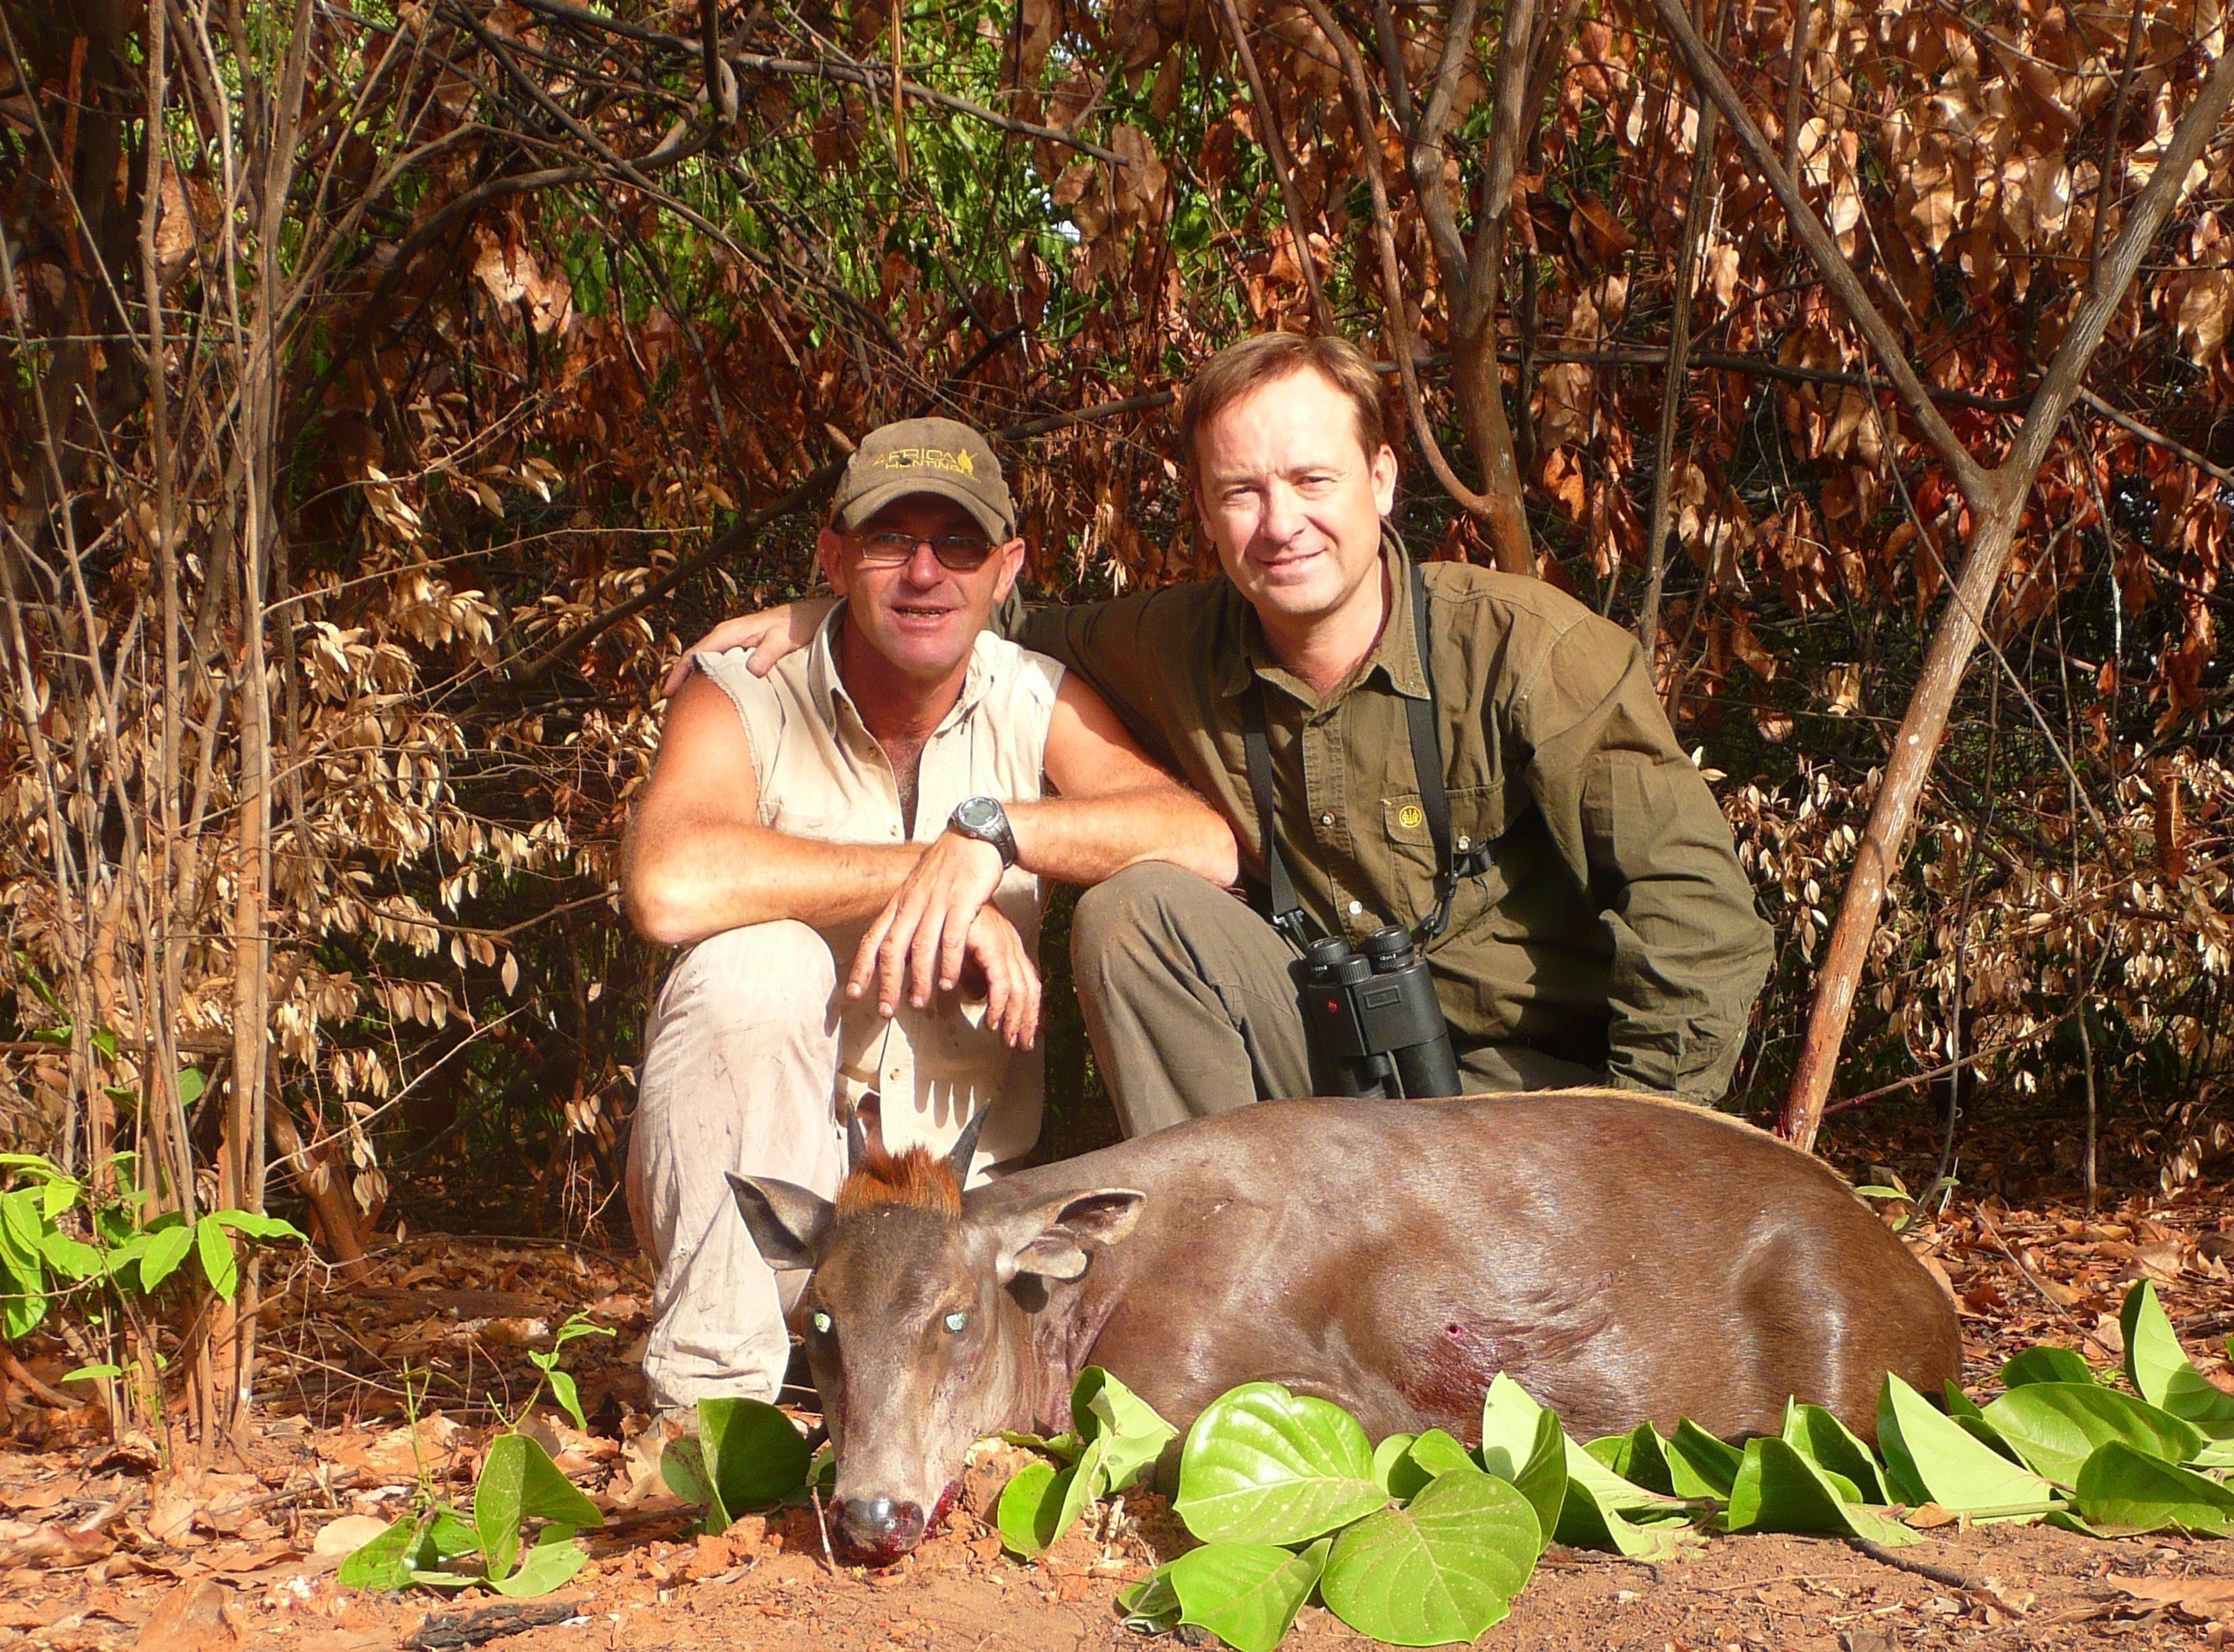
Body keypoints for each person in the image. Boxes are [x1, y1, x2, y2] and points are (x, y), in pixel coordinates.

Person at [679, 336, 1771, 1137]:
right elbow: (973, 612)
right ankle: (1237, 1297)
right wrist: (829, 610)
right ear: (1203, 512)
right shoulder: (1173, 639)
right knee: (1138, 912)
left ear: (1383, 481)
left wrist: (1641, 1147)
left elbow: (1700, 918)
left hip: (1537, 1104)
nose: (1280, 522)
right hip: (1328, 1074)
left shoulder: (1529, 650)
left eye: (1311, 480)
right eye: (1241, 492)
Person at [623, 418, 1235, 1420]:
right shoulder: (743, 694)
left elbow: (1201, 841)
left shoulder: (1032, 696)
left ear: (1007, 568)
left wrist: (991, 838)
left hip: (969, 1230)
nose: (923, 573)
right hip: (787, 1225)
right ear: (833, 557)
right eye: (886, 541)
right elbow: (667, 884)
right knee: (754, 966)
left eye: (957, 545)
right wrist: (929, 874)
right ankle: (711, 1417)